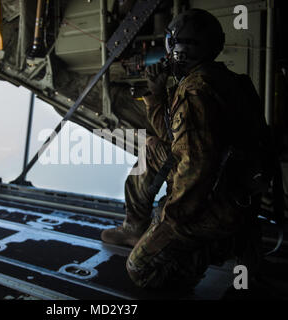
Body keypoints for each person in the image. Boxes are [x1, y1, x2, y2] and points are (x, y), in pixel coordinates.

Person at [101, 8, 270, 289]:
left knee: (140, 270)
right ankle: (134, 227)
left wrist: (168, 222)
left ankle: (217, 247)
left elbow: (196, 167)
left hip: (218, 202)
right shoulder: (219, 79)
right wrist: (156, 95)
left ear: (178, 50)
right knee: (154, 147)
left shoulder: (195, 93)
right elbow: (174, 135)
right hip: (231, 188)